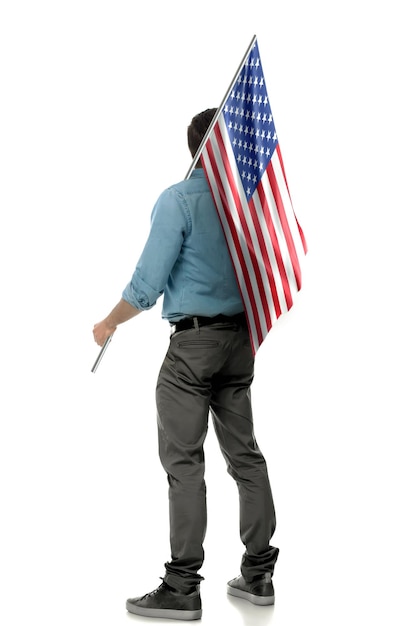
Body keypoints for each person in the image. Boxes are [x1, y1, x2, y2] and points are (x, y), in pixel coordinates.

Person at [93, 108, 279, 621]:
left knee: (184, 464)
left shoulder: (179, 200)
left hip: (192, 347)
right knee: (246, 457)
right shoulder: (248, 205)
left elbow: (147, 286)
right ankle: (258, 572)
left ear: (194, 148)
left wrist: (109, 321)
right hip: (240, 342)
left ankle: (182, 587)